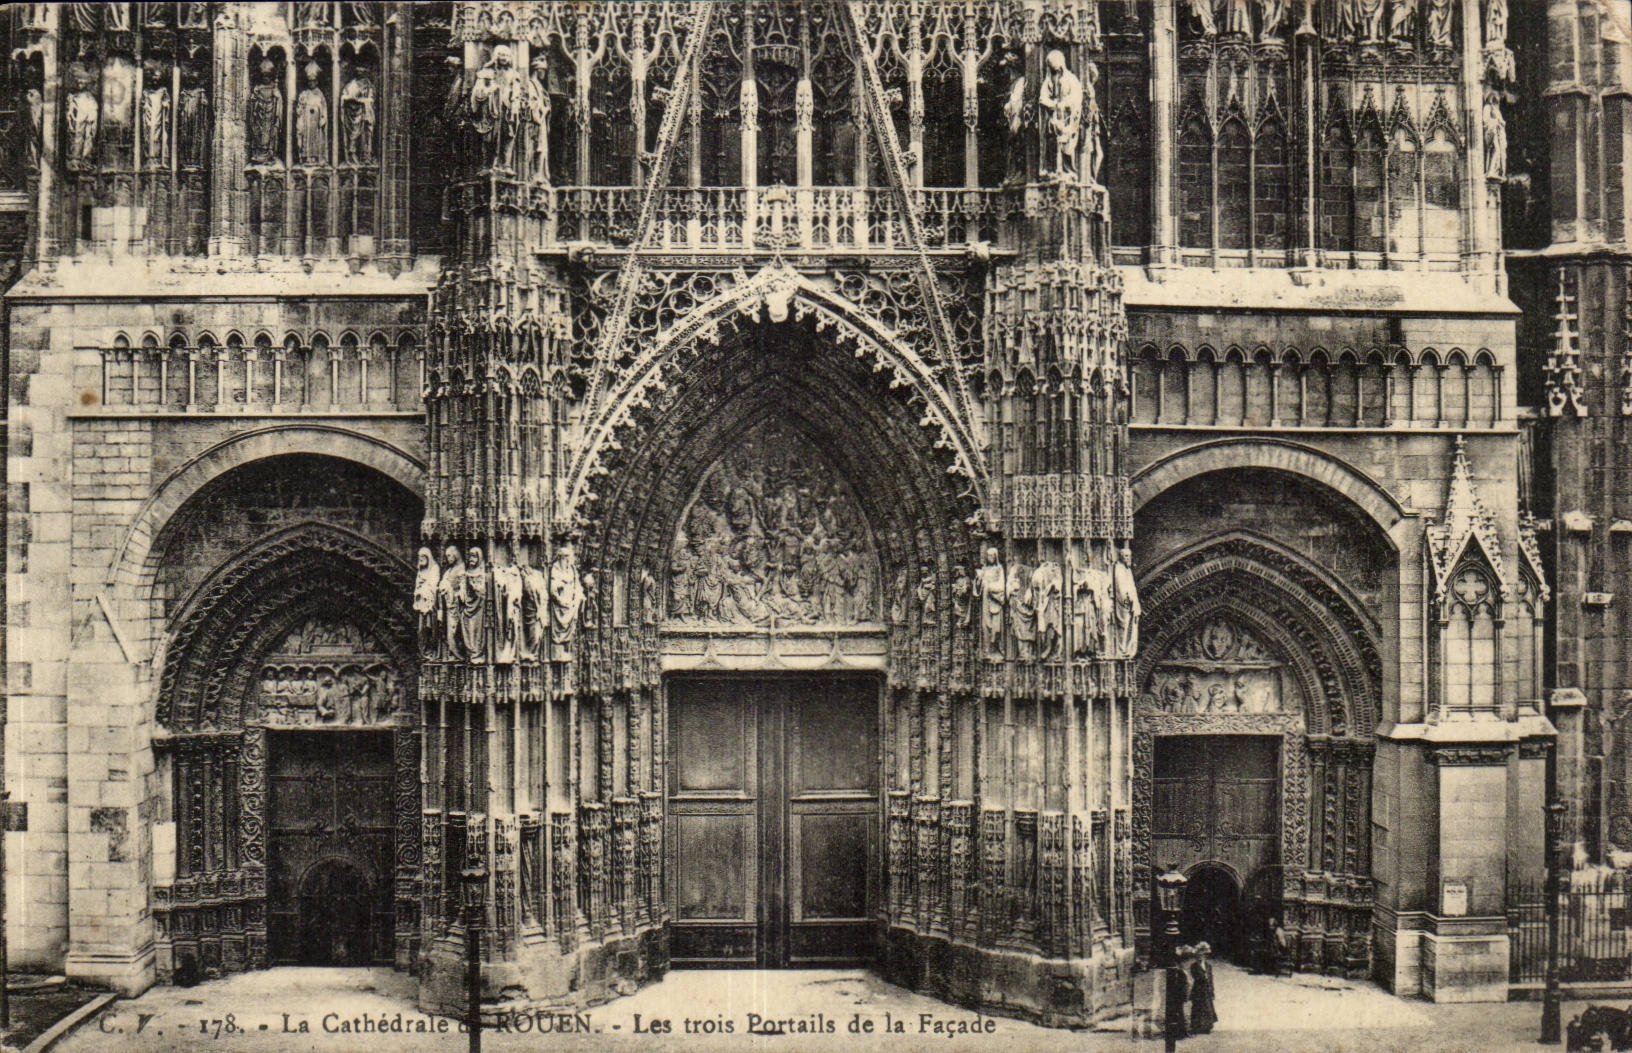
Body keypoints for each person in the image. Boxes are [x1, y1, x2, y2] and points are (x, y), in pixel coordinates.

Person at [1189, 942, 1218, 1034]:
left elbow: (1211, 978)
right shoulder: (1194, 966)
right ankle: (1197, 1026)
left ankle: (1207, 1026)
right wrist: (1203, 977)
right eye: (1199, 955)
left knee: (1207, 1007)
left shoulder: (1208, 966)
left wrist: (1212, 989)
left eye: (1203, 955)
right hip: (1198, 989)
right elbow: (1195, 976)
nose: (1201, 957)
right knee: (1198, 1007)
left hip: (1207, 989)